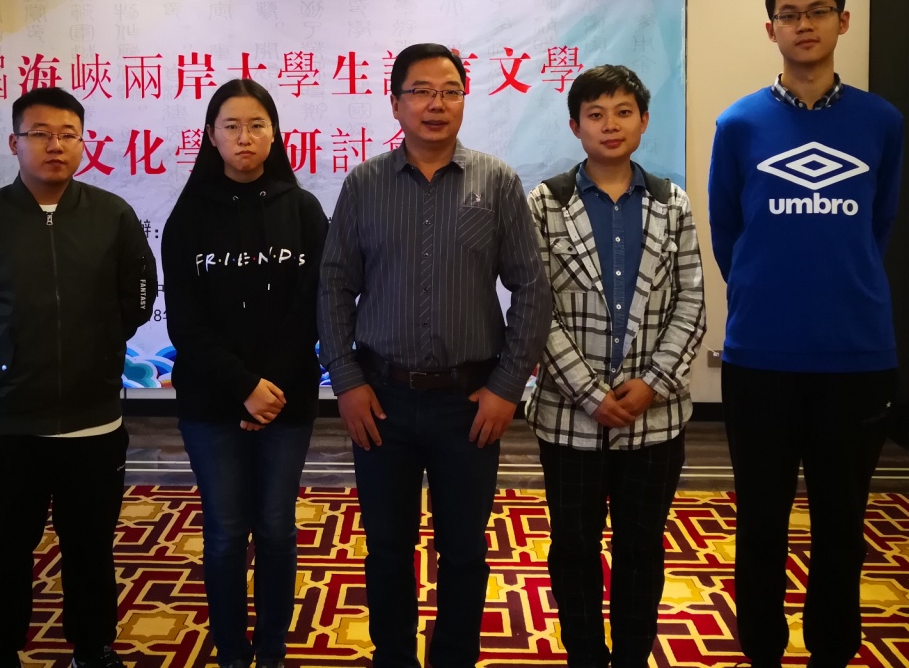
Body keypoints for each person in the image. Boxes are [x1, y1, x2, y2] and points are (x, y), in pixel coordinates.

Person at [317, 42, 550, 668]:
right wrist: (346, 380)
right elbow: (334, 285)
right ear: (395, 103)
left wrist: (506, 387)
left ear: (464, 101)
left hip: (468, 403)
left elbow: (532, 286)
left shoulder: (496, 181)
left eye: (449, 91)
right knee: (387, 550)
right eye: (420, 91)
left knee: (465, 551)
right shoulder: (364, 184)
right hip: (381, 399)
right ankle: (393, 658)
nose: (435, 104)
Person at [708, 0, 903, 668]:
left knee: (841, 525)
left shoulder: (881, 121)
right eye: (788, 15)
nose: (804, 25)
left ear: (842, 20)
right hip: (761, 355)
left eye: (817, 11)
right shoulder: (739, 123)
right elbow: (728, 231)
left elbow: (878, 225)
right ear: (771, 30)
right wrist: (767, 287)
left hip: (855, 355)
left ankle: (832, 650)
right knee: (760, 520)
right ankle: (760, 649)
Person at [0, 87, 155, 668]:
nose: (56, 145)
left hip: (92, 421)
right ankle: (0, 651)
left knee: (91, 546)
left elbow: (137, 296)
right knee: (4, 547)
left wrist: (100, 347)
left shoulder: (112, 216)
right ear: (14, 143)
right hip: (8, 424)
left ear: (82, 142)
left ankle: (92, 649)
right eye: (40, 134)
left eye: (68, 134)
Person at [527, 65, 706, 668]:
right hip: (569, 419)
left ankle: (631, 656)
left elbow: (692, 301)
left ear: (644, 121)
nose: (611, 125)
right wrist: (587, 393)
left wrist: (652, 384)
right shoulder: (545, 203)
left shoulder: (671, 202)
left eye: (624, 112)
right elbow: (535, 308)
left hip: (654, 419)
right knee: (573, 546)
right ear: (575, 125)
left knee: (642, 547)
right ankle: (584, 656)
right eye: (596, 114)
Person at [161, 79, 328, 668]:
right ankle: (232, 652)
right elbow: (185, 322)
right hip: (212, 404)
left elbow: (314, 307)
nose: (244, 137)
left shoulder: (302, 210)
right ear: (211, 136)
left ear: (274, 133)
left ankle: (273, 649)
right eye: (230, 126)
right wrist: (244, 388)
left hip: (287, 400)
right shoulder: (188, 217)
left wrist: (269, 391)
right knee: (227, 531)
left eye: (257, 125)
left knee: (277, 528)